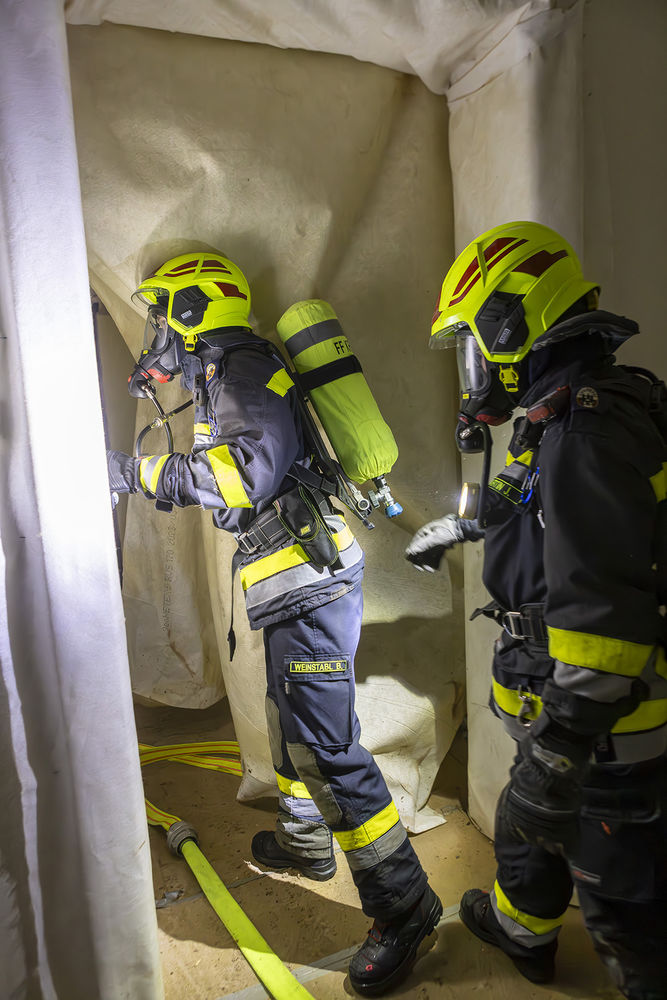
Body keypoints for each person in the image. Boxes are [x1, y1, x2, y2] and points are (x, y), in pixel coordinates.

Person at [107, 251, 442, 996]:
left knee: (326, 748)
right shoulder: (222, 373)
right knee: (286, 718)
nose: (158, 333)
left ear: (194, 309)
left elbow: (244, 476)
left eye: (163, 315)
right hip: (294, 582)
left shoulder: (242, 368)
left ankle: (405, 905)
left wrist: (135, 474)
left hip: (308, 585)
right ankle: (306, 843)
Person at [405, 221, 667, 1000]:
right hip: (550, 693)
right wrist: (464, 524)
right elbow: (532, 504)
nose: (470, 369)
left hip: (600, 728)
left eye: (469, 344)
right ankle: (521, 931)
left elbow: (601, 622)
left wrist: (558, 751)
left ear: (508, 326)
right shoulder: (558, 412)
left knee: (623, 903)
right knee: (530, 839)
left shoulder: (582, 431)